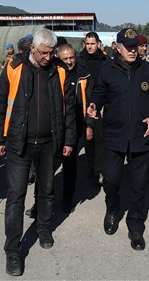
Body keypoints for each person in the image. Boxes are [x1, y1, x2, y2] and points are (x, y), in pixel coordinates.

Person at [0, 29, 77, 277]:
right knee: (16, 196)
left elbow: (69, 109)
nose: (49, 57)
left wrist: (69, 139)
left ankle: (43, 228)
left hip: (50, 143)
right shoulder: (14, 68)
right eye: (45, 53)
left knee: (46, 191)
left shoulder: (60, 70)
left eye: (52, 53)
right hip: (20, 144)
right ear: (33, 49)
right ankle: (12, 250)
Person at [87, 27, 149, 251]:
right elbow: (98, 93)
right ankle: (112, 210)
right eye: (128, 47)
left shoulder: (148, 71)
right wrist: (94, 105)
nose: (133, 51)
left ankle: (136, 225)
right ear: (118, 47)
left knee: (138, 185)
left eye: (135, 47)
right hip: (114, 136)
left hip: (141, 137)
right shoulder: (107, 70)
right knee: (112, 180)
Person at [57, 43, 91, 213]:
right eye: (65, 59)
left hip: (73, 127)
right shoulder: (52, 72)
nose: (69, 62)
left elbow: (90, 102)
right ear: (58, 58)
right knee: (45, 168)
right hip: (53, 128)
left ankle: (67, 198)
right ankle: (39, 204)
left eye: (72, 58)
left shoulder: (83, 74)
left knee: (70, 166)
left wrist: (89, 125)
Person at [78, 32, 108, 185]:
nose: (90, 47)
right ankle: (91, 165)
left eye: (93, 44)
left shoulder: (105, 60)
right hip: (84, 102)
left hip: (100, 102)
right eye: (88, 44)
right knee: (88, 137)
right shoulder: (79, 59)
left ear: (98, 44)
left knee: (100, 137)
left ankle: (99, 168)